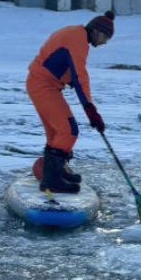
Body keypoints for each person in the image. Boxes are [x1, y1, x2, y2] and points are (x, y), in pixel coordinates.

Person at [27, 11, 114, 194]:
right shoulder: (78, 40)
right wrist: (90, 109)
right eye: (106, 37)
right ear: (97, 31)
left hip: (42, 83)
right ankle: (52, 180)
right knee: (69, 130)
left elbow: (60, 62)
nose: (105, 42)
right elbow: (80, 74)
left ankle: (56, 172)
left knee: (57, 133)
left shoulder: (75, 33)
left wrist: (69, 79)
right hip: (43, 86)